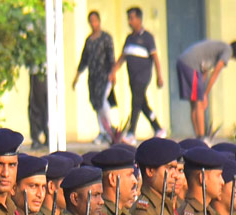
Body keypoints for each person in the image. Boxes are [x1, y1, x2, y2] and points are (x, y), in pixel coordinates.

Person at [112, 7, 166, 143]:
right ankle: (158, 128)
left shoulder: (148, 38)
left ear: (139, 19)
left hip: (143, 77)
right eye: (128, 18)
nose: (130, 21)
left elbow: (155, 58)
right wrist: (113, 71)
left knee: (135, 102)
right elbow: (122, 57)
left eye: (132, 18)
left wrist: (159, 76)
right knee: (142, 104)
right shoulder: (129, 38)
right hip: (132, 77)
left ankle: (131, 133)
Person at [175, 40, 236, 139]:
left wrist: (202, 90)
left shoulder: (218, 48)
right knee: (199, 102)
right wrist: (205, 94)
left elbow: (205, 71)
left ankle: (198, 137)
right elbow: (215, 73)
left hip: (183, 62)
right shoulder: (228, 50)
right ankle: (202, 137)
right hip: (191, 64)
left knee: (194, 102)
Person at [73, 10, 118, 144]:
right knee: (97, 104)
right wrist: (76, 76)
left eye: (95, 20)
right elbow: (84, 59)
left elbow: (111, 57)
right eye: (91, 21)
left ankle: (110, 129)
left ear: (99, 21)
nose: (93, 24)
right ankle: (103, 131)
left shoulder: (106, 38)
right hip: (93, 78)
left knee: (103, 102)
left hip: (105, 76)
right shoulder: (89, 40)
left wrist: (113, 73)